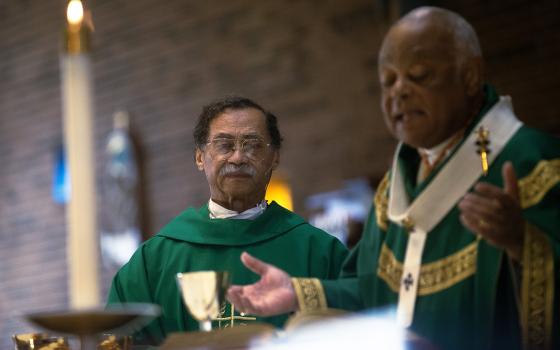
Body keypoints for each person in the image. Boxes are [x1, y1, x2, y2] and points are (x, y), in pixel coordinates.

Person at [227, 7, 560, 350]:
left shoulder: (536, 165)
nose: (398, 91)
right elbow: (372, 290)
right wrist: (296, 291)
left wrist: (523, 244)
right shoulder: (394, 188)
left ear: (471, 76)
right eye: (388, 81)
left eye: (418, 75)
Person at [107, 96, 348, 345]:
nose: (238, 157)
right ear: (200, 157)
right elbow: (118, 341)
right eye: (224, 145)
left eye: (252, 145)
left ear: (275, 157)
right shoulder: (153, 261)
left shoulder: (321, 252)